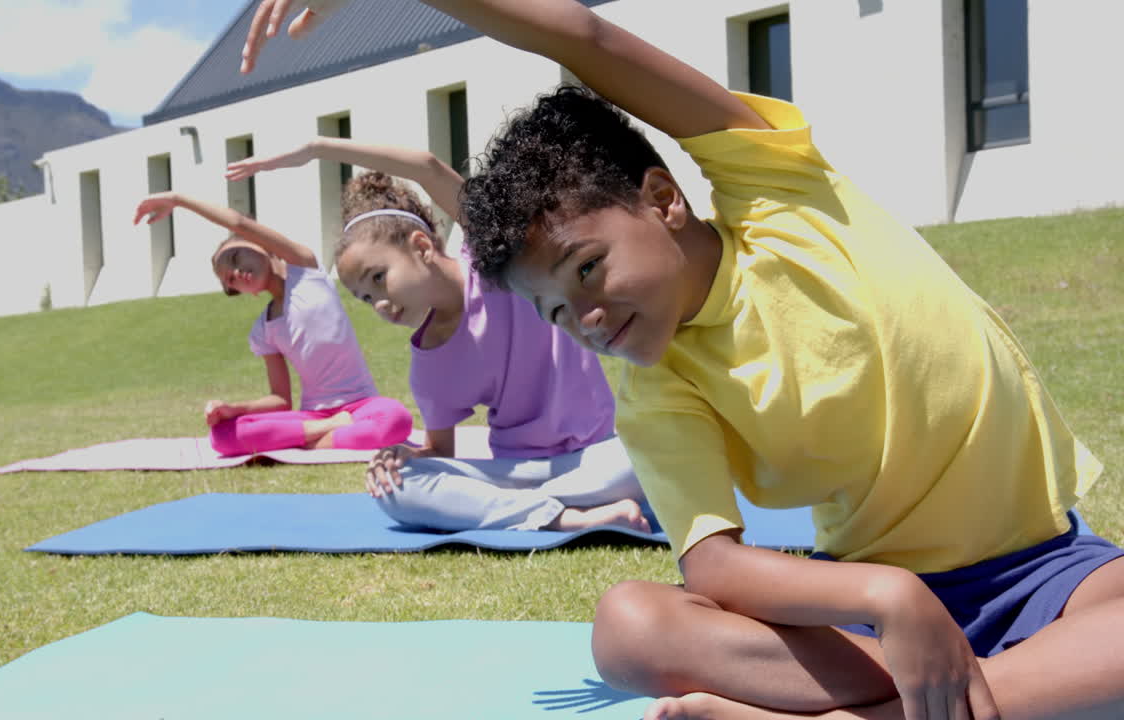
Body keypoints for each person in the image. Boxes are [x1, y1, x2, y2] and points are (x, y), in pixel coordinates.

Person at [242, 2, 1124, 720]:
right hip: (865, 610)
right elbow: (715, 567)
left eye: (589, 269)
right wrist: (894, 599)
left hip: (1042, 570)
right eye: (556, 310)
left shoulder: (782, 195)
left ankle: (895, 716)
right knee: (630, 626)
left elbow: (586, 38)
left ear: (662, 199)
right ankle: (980, 691)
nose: (585, 315)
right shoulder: (655, 386)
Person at [228, 137, 649, 533]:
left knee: (654, 450)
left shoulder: (494, 259)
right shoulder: (429, 364)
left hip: (600, 457)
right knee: (398, 488)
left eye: (380, 277)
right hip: (518, 473)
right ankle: (563, 518)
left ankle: (543, 507)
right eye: (364, 297)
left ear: (422, 246)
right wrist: (401, 457)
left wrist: (318, 148)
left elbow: (428, 168)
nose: (380, 304)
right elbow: (440, 452)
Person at [131, 191, 412, 455]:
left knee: (396, 419)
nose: (237, 272)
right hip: (314, 414)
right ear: (244, 292)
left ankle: (310, 442)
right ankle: (325, 432)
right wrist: (234, 409)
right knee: (222, 436)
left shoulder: (305, 269)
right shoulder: (263, 330)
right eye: (229, 279)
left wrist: (178, 200)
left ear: (260, 246)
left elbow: (238, 223)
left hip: (361, 405)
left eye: (236, 258)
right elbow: (281, 400)